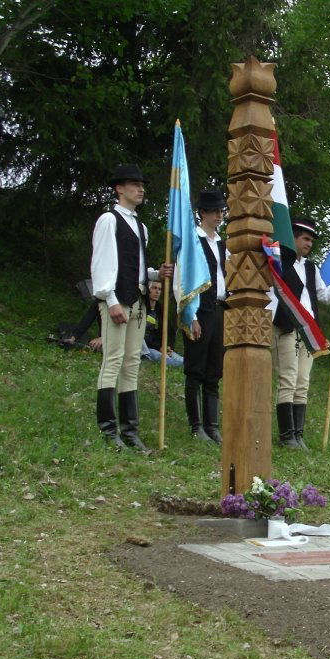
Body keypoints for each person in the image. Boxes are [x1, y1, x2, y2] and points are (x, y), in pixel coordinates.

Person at [90, 163, 174, 451]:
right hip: (117, 300)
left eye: (142, 185)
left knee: (132, 363)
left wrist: (154, 274)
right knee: (113, 360)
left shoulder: (141, 225)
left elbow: (134, 266)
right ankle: (109, 430)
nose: (140, 189)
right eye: (133, 184)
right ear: (119, 188)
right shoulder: (109, 220)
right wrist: (110, 300)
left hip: (137, 301)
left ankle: (130, 431)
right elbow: (102, 264)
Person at [270, 219, 330, 450]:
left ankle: (298, 435)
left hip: (308, 332)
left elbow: (323, 296)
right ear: (293, 238)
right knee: (288, 379)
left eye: (311, 241)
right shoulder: (279, 263)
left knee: (302, 382)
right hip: (285, 327)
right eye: (305, 239)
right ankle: (286, 436)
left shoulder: (310, 267)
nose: (309, 244)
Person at [182, 190, 227, 442]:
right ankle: (196, 424)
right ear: (202, 213)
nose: (220, 215)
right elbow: (185, 279)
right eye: (215, 211)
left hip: (220, 308)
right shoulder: (193, 241)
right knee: (195, 367)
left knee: (214, 369)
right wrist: (191, 315)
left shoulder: (222, 243)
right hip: (199, 308)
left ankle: (212, 425)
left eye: (222, 211)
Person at [139, 280, 182, 368]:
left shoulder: (160, 309)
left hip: (161, 348)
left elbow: (169, 331)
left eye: (159, 289)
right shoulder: (141, 308)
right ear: (148, 290)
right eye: (154, 288)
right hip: (146, 348)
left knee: (181, 360)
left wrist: (168, 346)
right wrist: (159, 347)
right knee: (170, 362)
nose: (157, 291)